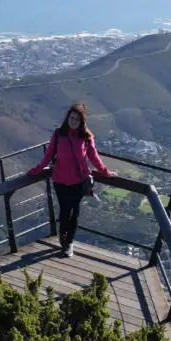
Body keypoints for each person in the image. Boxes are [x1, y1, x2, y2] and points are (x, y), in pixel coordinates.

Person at [27, 103, 113, 257]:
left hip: (78, 182)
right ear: (68, 118)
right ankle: (63, 237)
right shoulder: (58, 134)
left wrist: (105, 172)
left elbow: (94, 157)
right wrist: (36, 170)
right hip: (60, 181)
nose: (74, 121)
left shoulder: (87, 137)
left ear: (82, 122)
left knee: (74, 212)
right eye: (72, 118)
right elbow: (48, 156)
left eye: (77, 119)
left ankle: (68, 243)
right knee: (65, 211)